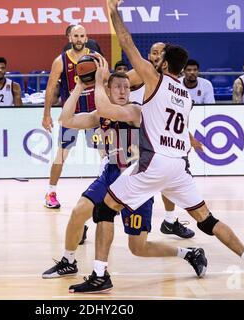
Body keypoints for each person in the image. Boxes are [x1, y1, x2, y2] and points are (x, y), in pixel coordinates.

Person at [70, 0, 244, 292]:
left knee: (104, 210)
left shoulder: (155, 79)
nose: (155, 60)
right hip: (179, 166)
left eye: (159, 57)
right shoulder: (186, 94)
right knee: (207, 220)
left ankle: (100, 274)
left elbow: (127, 44)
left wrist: (113, 11)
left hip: (154, 162)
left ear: (164, 64)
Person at [43, 71, 207, 295]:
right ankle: (68, 261)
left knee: (138, 247)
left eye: (126, 87)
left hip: (137, 179)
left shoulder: (137, 111)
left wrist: (99, 83)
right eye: (117, 87)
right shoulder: (100, 114)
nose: (122, 91)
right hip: (111, 173)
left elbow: (170, 128)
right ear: (109, 90)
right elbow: (66, 119)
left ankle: (188, 253)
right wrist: (79, 87)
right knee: (79, 212)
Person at [130, 42, 199, 239]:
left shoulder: (168, 83)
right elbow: (117, 86)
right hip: (133, 131)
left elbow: (174, 119)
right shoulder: (142, 73)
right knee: (113, 176)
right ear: (149, 56)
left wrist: (190, 138)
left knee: (167, 177)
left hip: (155, 135)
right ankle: (88, 215)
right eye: (154, 52)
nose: (158, 56)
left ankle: (169, 221)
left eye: (161, 53)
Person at [42, 25, 98, 211]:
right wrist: (46, 114)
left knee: (107, 154)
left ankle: (110, 191)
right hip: (71, 115)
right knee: (61, 155)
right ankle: (50, 192)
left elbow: (106, 82)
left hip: (93, 114)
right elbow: (50, 88)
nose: (79, 39)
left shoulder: (96, 58)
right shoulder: (60, 61)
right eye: (76, 36)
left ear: (86, 37)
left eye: (82, 36)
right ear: (69, 38)